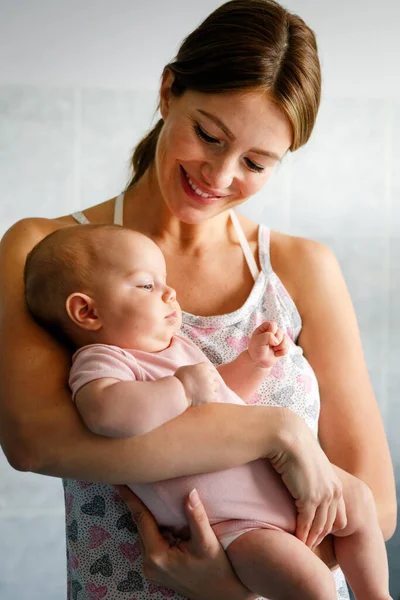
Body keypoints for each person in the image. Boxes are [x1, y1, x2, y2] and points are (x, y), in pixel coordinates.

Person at [0, 0, 396, 599]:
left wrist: (236, 589)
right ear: (167, 92)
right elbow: (36, 442)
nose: (219, 174)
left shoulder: (300, 268)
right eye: (209, 134)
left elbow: (374, 501)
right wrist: (276, 433)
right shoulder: (45, 252)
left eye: (256, 162)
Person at [24, 223, 393, 599]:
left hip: (285, 488)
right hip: (233, 525)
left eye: (163, 281)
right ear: (86, 311)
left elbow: (219, 394)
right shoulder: (103, 359)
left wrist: (254, 362)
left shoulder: (176, 347)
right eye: (146, 285)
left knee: (360, 498)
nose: (170, 293)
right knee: (311, 583)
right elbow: (107, 414)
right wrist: (180, 388)